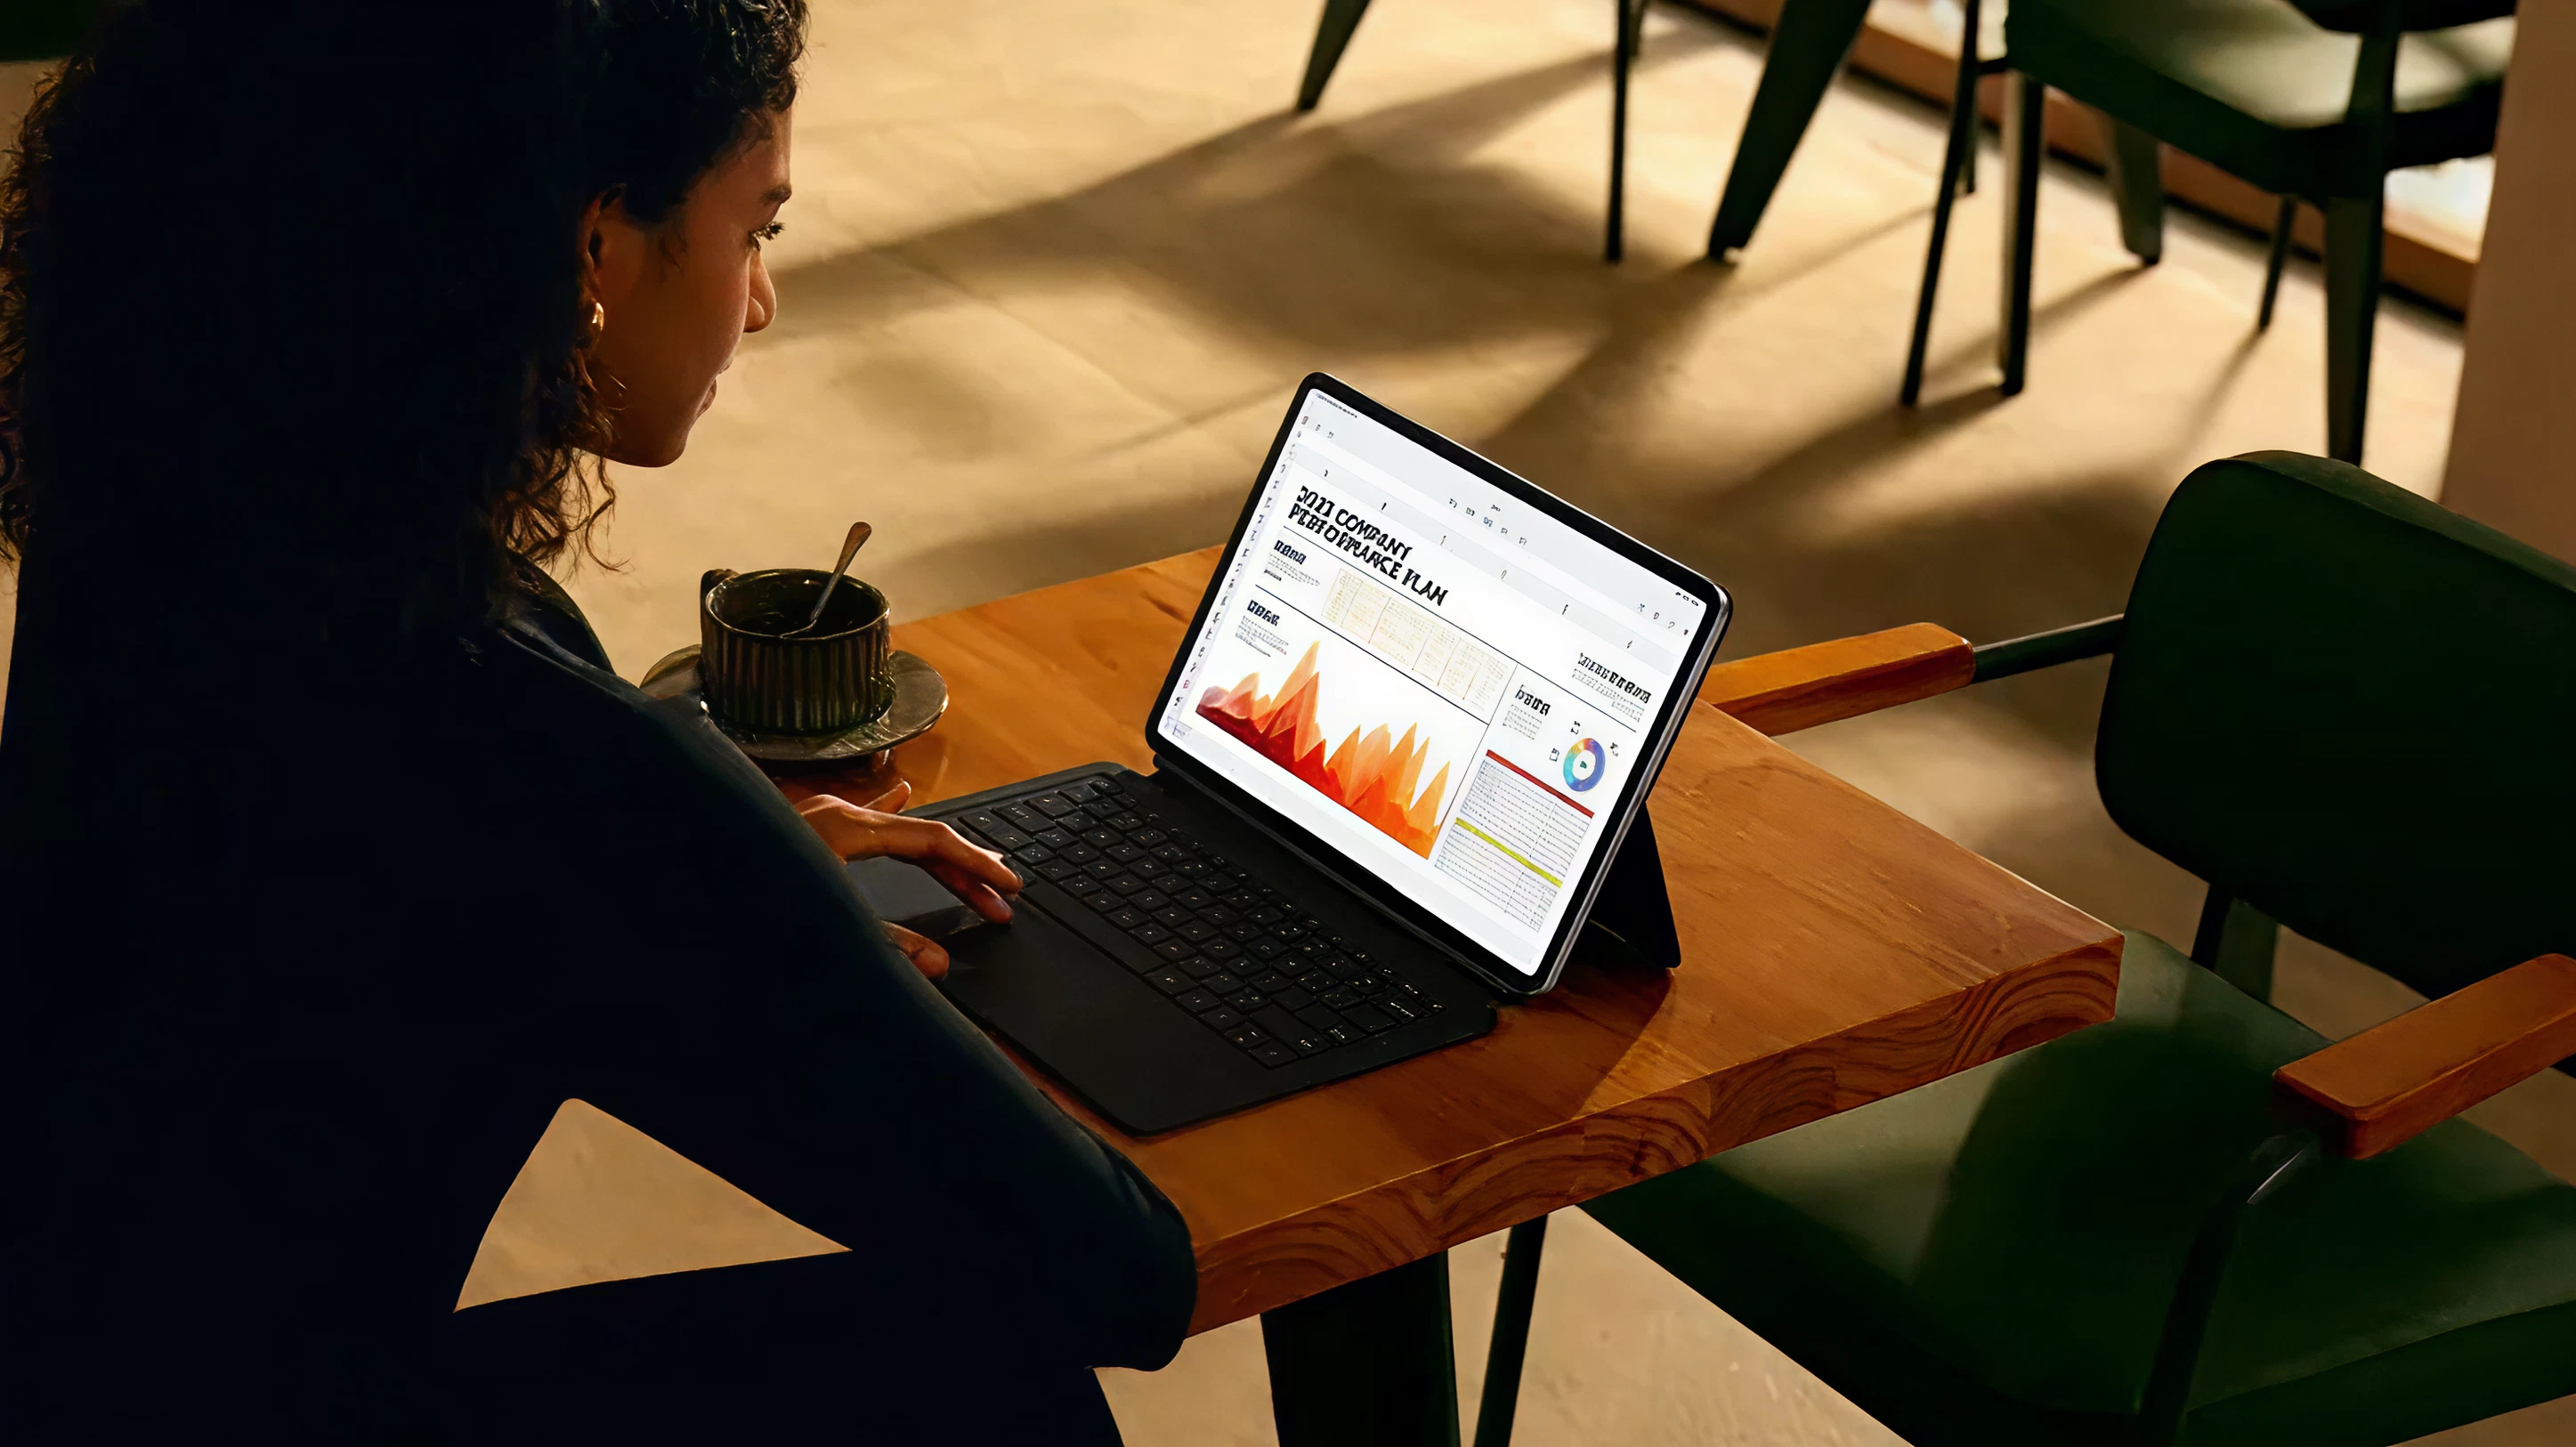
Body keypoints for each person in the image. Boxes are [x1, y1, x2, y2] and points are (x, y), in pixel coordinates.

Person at [0, 1, 1195, 1440]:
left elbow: (424, 904)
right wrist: (717, 874)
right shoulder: (517, 729)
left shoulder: (174, 515)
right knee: (992, 1383)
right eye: (756, 226)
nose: (758, 300)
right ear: (590, 251)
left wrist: (728, 862)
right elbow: (1115, 1266)